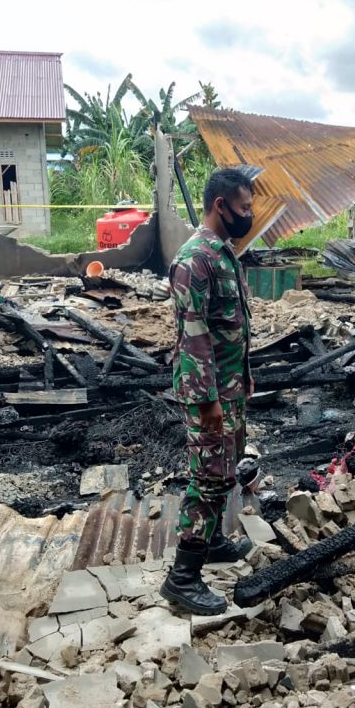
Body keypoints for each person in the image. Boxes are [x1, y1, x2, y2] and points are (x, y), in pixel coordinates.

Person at [160, 168, 257, 615]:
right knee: (209, 476)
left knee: (227, 466)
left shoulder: (224, 253)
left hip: (229, 385)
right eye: (243, 207)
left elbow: (234, 326)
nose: (249, 214)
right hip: (208, 393)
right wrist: (208, 400)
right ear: (221, 206)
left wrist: (245, 376)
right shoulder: (194, 258)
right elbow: (193, 334)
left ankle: (214, 541)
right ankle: (182, 578)